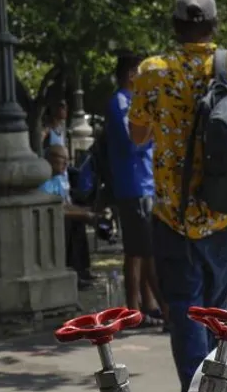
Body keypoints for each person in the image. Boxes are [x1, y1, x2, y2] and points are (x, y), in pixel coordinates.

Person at [129, 0, 227, 392]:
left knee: (183, 308)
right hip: (224, 211)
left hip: (171, 214)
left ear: (176, 27)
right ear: (214, 25)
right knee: (217, 307)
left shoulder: (152, 72)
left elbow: (137, 137)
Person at [106, 52, 166, 327]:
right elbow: (134, 142)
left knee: (144, 248)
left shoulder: (133, 102)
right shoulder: (119, 103)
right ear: (131, 74)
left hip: (145, 181)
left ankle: (148, 303)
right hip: (133, 183)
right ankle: (135, 308)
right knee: (139, 250)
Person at [43, 144, 99, 286]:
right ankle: (72, 271)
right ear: (50, 159)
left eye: (68, 159)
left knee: (79, 221)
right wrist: (83, 215)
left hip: (58, 215)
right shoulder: (45, 181)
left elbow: (66, 204)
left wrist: (86, 212)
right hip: (47, 221)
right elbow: (57, 209)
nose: (66, 164)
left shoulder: (58, 178)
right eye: (63, 159)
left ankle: (81, 270)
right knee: (72, 222)